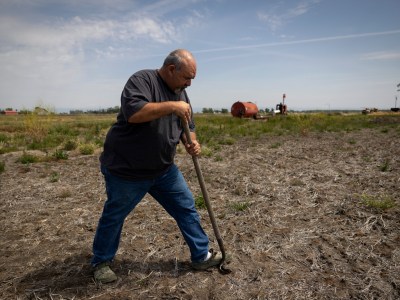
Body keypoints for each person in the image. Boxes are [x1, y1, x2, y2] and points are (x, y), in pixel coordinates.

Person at [91, 49, 228, 284]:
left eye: (192, 79)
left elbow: (188, 125)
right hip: (127, 170)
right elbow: (134, 113)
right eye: (187, 77)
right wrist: (173, 106)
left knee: (186, 208)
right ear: (171, 69)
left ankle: (201, 255)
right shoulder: (142, 80)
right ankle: (101, 262)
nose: (189, 84)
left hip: (163, 170)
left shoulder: (181, 93)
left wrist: (192, 142)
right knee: (114, 215)